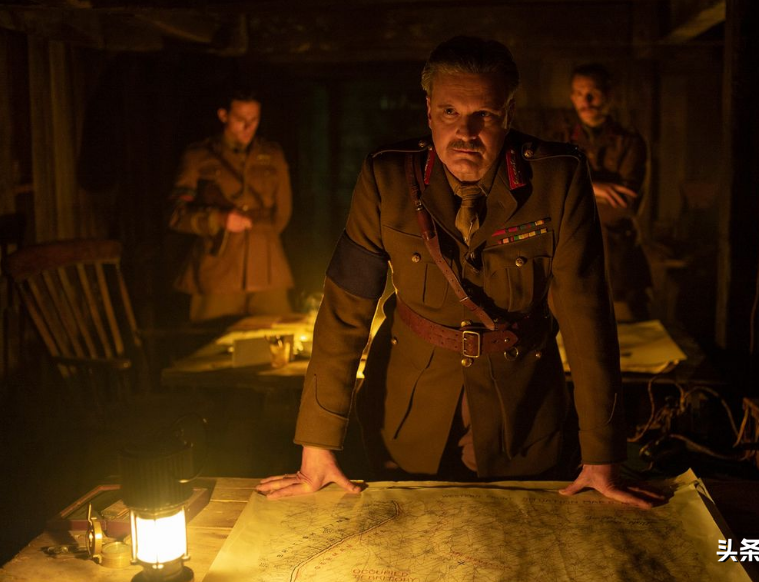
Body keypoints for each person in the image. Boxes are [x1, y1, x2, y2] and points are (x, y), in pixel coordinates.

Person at [257, 37, 661, 509]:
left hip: (524, 417)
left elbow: (586, 317)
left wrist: (602, 453)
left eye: (483, 115)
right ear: (429, 111)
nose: (465, 132)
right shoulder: (387, 178)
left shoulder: (557, 178)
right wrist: (317, 445)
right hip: (409, 416)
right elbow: (345, 309)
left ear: (508, 114)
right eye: (450, 112)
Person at [168, 89, 294, 322]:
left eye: (254, 119)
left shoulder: (273, 155)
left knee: (276, 335)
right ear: (223, 115)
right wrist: (218, 219)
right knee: (214, 340)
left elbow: (282, 212)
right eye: (240, 119)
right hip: (217, 270)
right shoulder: (199, 156)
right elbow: (176, 214)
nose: (248, 127)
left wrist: (261, 238)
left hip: (266, 268)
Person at [564, 64, 652, 322]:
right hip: (571, 261)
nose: (586, 100)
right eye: (579, 93)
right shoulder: (559, 141)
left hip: (618, 263)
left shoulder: (630, 142)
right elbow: (548, 194)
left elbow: (624, 204)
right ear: (572, 97)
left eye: (593, 92)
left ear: (609, 95)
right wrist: (595, 187)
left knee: (630, 334)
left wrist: (573, 189)